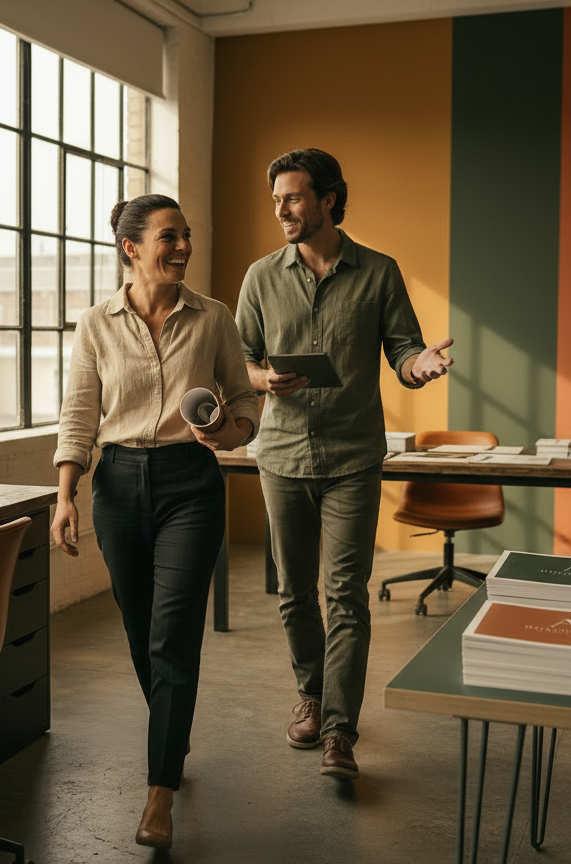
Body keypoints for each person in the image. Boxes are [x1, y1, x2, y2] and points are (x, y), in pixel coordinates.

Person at [234, 148, 453, 780]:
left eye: (294, 197)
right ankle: (311, 695)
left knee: (345, 595)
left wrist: (421, 366)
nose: (281, 209)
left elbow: (405, 350)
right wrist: (263, 378)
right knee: (295, 595)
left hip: (354, 457)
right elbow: (241, 359)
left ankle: (339, 732)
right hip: (279, 456)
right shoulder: (260, 277)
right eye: (276, 198)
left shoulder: (379, 272)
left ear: (329, 200)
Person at [51, 194, 259, 850]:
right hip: (115, 487)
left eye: (187, 236)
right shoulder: (96, 324)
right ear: (131, 248)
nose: (183, 248)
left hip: (189, 485)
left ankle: (160, 788)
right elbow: (80, 411)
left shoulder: (214, 318)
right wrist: (64, 496)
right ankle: (174, 723)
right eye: (169, 237)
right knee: (142, 631)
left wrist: (230, 432)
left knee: (172, 635)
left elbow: (246, 399)